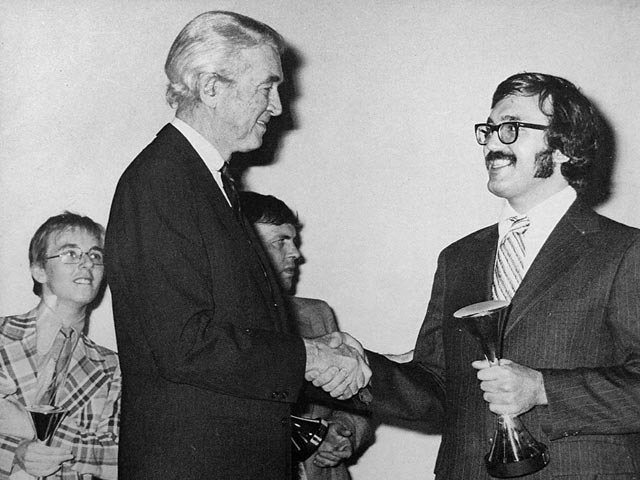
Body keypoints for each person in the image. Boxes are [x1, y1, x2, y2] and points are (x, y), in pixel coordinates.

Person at [323, 72, 640, 478]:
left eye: (509, 129)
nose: (491, 143)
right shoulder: (458, 258)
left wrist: (542, 389)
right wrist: (360, 368)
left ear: (562, 147)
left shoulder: (624, 251)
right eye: (488, 130)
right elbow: (437, 388)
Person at [105, 11, 369, 480]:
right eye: (266, 87)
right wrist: (309, 357)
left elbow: (232, 323)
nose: (277, 107)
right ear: (210, 88)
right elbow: (186, 342)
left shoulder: (205, 183)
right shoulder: (161, 182)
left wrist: (309, 346)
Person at [240, 191, 374, 480]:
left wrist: (343, 432)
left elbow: (359, 402)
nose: (296, 254)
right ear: (242, 249)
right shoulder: (216, 331)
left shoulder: (317, 315)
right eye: (280, 242)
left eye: (294, 241)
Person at [0, 212, 120, 480]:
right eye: (70, 253)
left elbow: (118, 459)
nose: (87, 264)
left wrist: (32, 425)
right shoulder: (2, 336)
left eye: (95, 256)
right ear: (39, 270)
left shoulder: (112, 367)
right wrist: (14, 451)